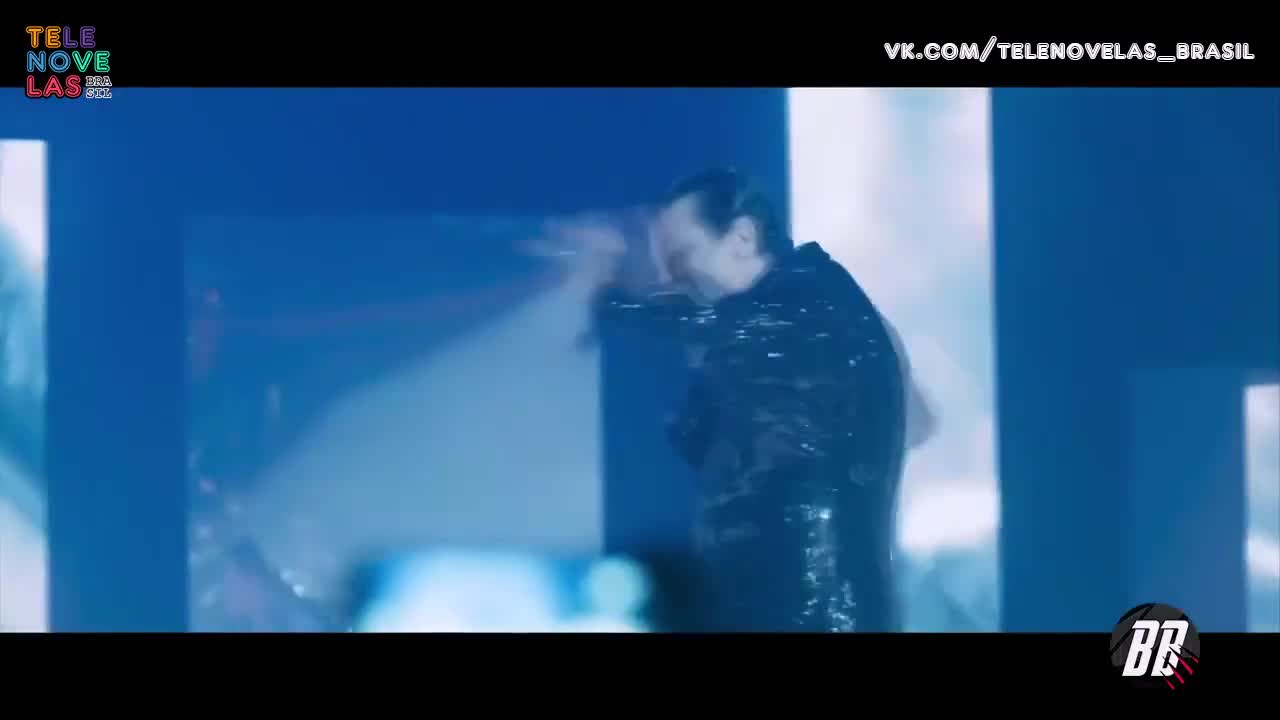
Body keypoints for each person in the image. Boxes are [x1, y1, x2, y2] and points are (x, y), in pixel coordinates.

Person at [560, 168, 933, 632]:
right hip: (760, 596)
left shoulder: (811, 301)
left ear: (742, 237)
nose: (674, 279)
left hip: (820, 606)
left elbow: (699, 321)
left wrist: (610, 298)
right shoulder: (754, 341)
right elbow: (703, 440)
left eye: (683, 256)